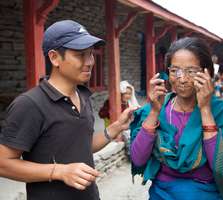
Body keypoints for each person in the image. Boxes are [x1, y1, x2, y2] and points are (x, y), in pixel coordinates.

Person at [0, 20, 137, 200]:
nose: (89, 62)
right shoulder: (30, 104)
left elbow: (81, 147)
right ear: (55, 57)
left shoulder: (83, 96)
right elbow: (3, 163)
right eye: (80, 55)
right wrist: (59, 171)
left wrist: (116, 127)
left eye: (91, 54)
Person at [130, 37, 223, 200]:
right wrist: (155, 111)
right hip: (161, 194)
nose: (182, 79)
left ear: (207, 73)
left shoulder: (219, 111)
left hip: (205, 193)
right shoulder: (156, 108)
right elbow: (138, 159)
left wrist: (205, 109)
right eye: (174, 70)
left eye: (191, 71)